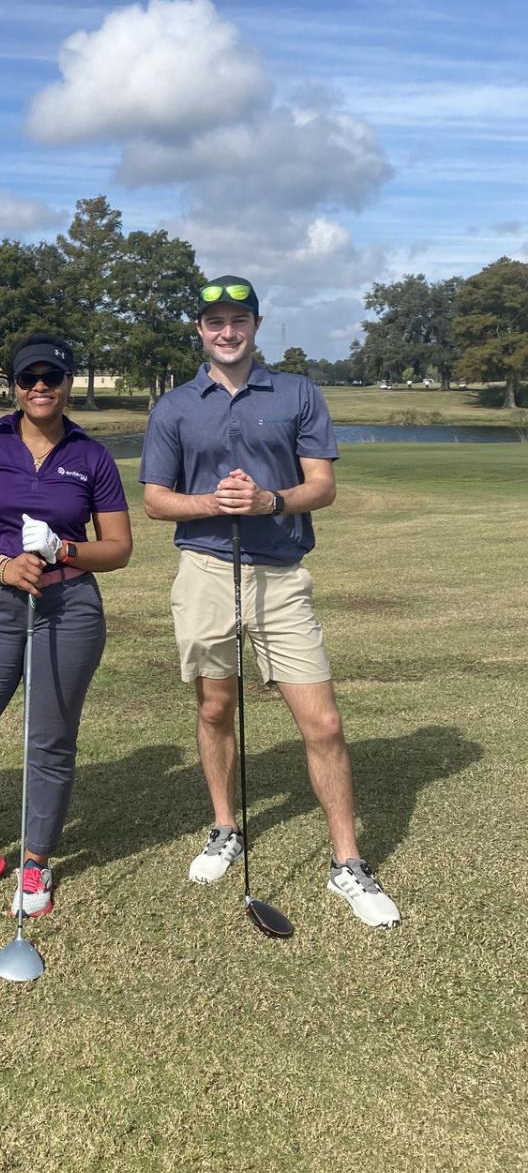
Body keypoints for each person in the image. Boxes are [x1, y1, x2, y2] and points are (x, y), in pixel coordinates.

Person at [138, 276, 401, 928]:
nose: (226, 331)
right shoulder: (174, 406)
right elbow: (155, 499)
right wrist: (213, 503)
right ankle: (225, 826)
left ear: (256, 324)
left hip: (280, 576)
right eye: (213, 321)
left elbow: (323, 485)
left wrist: (269, 501)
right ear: (199, 329)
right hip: (203, 570)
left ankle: (347, 862)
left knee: (324, 722)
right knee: (215, 705)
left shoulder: (297, 392)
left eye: (238, 320)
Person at [0, 334, 132, 917]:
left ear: (68, 383)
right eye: (28, 378)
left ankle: (37, 860)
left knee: (48, 741)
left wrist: (64, 548)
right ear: (14, 386)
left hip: (68, 609)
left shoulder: (91, 455)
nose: (39, 387)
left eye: (52, 377)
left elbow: (118, 549)